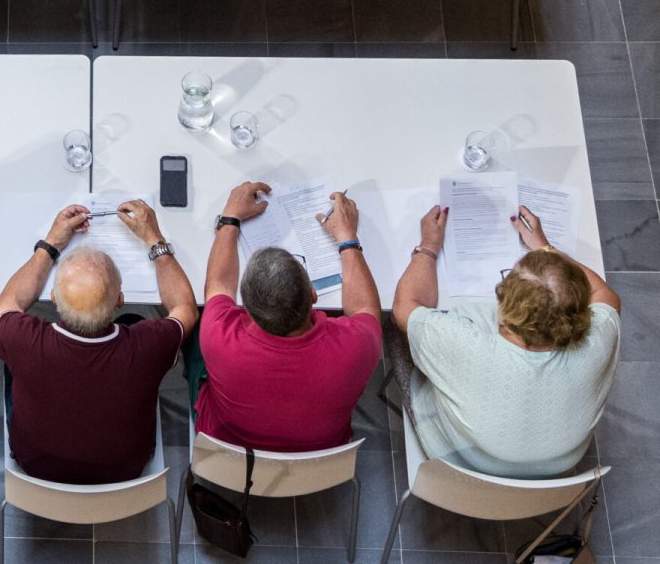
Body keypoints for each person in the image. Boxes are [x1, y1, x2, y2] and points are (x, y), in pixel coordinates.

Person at [389, 203, 621, 477]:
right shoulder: (599, 339)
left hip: (458, 464)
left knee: (395, 328)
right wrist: (546, 252)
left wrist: (428, 246)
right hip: (555, 474)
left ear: (505, 307)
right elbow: (607, 297)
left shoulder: (464, 343)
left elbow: (406, 307)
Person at [0, 200, 198, 484]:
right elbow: (185, 309)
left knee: (10, 358)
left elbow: (9, 302)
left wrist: (51, 244)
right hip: (125, 467)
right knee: (132, 323)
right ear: (119, 299)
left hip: (36, 465)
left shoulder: (23, 339)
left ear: (54, 298)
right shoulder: (149, 347)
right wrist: (154, 238)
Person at [192, 182, 381, 452]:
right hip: (319, 458)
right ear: (314, 295)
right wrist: (347, 237)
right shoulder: (357, 346)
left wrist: (230, 219)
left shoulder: (219, 336)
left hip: (230, 456)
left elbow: (218, 285)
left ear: (246, 310)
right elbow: (366, 310)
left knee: (193, 345)